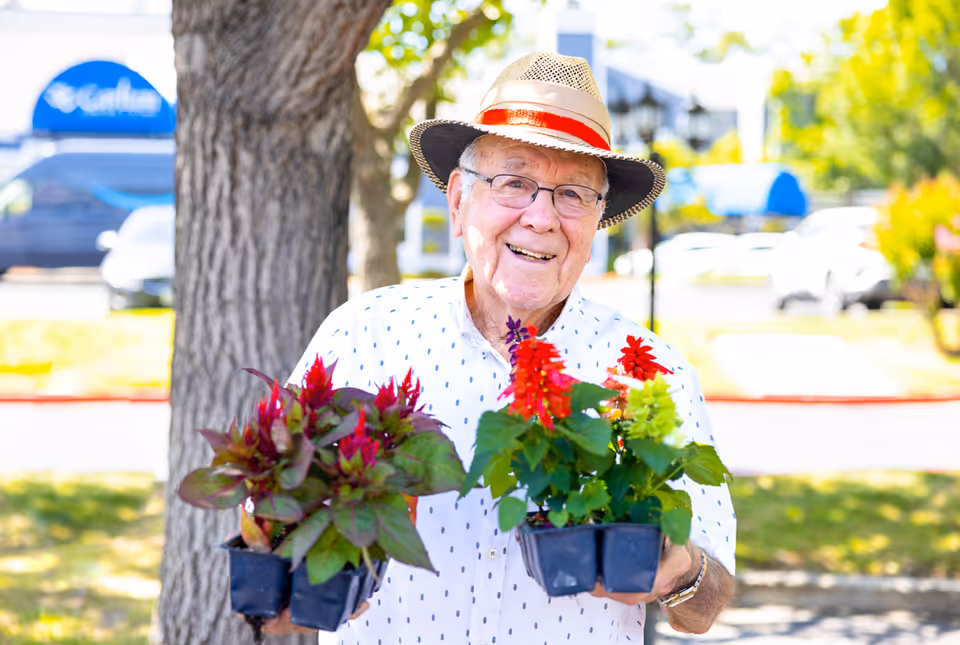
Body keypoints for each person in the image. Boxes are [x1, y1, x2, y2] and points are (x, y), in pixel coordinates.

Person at [268, 51, 736, 644]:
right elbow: (272, 521)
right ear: (459, 200)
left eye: (572, 194)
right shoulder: (364, 334)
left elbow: (709, 602)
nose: (541, 218)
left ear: (597, 222)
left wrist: (678, 572)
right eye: (514, 183)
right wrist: (300, 571)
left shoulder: (653, 373)